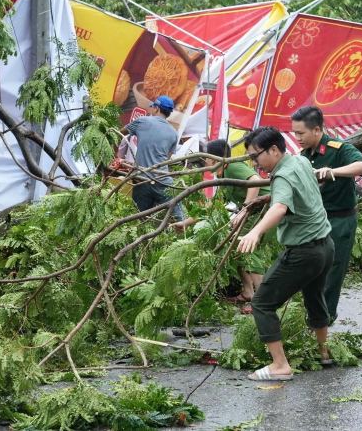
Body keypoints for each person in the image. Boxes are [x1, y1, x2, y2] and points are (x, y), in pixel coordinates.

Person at [237, 127, 334, 381]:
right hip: (325, 246)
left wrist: (254, 232)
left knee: (262, 302)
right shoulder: (301, 160)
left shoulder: (281, 177)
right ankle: (323, 352)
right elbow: (293, 191)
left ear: (273, 150)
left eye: (255, 156)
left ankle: (280, 365)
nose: (254, 163)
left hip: (304, 252)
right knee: (314, 297)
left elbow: (280, 206)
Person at [290, 106, 362, 324]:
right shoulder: (304, 156)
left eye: (300, 133)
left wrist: (333, 172)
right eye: (294, 133)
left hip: (340, 220)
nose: (297, 138)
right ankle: (313, 318)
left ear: (317, 130)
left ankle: (325, 320)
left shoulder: (338, 148)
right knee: (311, 271)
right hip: (316, 221)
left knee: (332, 272)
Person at [171, 139, 272, 304]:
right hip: (256, 212)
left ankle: (262, 301)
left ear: (212, 158)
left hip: (268, 209)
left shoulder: (232, 166)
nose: (205, 162)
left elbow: (254, 181)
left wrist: (245, 209)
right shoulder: (223, 176)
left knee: (248, 249)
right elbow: (211, 208)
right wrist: (185, 223)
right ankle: (248, 292)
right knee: (237, 246)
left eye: (206, 158)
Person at [120, 95, 184, 221]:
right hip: (163, 181)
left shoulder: (142, 121)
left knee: (140, 223)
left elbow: (120, 132)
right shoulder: (174, 134)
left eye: (153, 107)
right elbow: (166, 158)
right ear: (169, 114)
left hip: (141, 179)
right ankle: (184, 232)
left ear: (156, 109)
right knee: (180, 219)